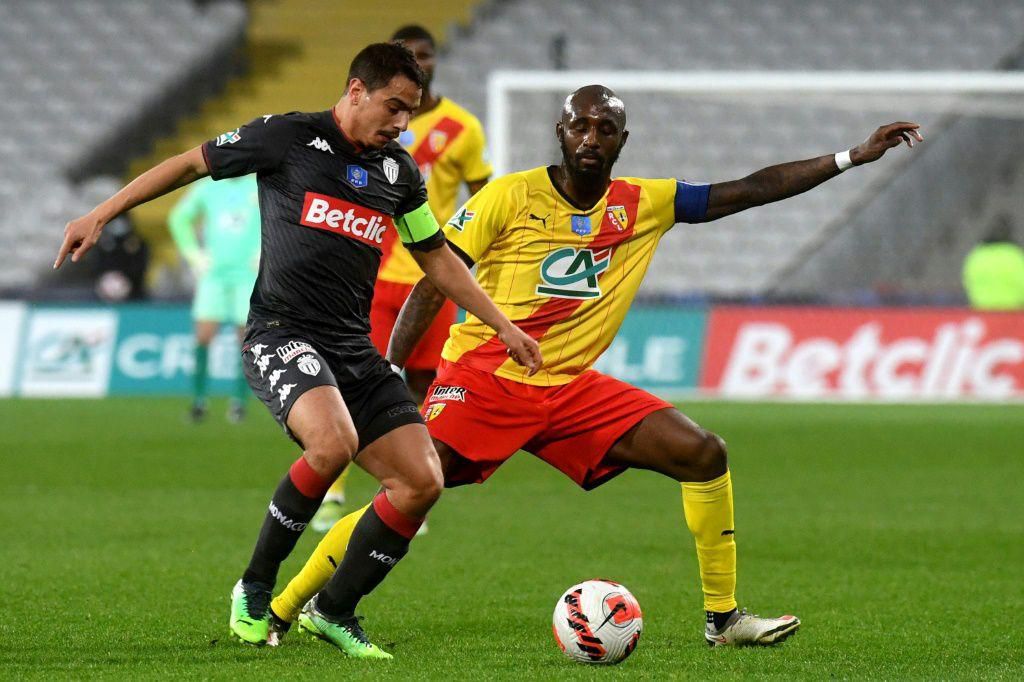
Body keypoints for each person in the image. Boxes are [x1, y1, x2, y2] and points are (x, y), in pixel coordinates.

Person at [271, 85, 923, 649]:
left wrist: (850, 157)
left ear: (622, 141)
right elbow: (434, 282)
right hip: (486, 377)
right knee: (414, 486)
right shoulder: (508, 196)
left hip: (569, 388)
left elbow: (749, 190)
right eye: (579, 125)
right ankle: (288, 605)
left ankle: (723, 619)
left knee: (702, 453)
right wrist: (390, 370)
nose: (590, 137)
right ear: (560, 132)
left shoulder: (644, 203)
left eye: (605, 128)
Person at [54, 42, 541, 659]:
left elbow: (437, 258)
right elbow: (188, 164)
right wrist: (101, 213)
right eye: (393, 107)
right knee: (331, 444)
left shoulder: (398, 173)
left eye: (410, 112)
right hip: (282, 332)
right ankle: (255, 588)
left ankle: (333, 610)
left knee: (421, 482)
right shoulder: (287, 137)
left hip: (352, 346)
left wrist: (503, 325)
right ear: (356, 91)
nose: (401, 123)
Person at [313, 24, 493, 534]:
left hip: (432, 280)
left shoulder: (463, 127)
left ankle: (403, 493)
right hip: (373, 279)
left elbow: (485, 199)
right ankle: (332, 495)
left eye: (426, 54)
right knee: (354, 384)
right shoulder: (367, 124)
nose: (422, 61)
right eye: (410, 54)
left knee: (421, 389)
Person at [168, 174, 260, 423]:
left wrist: (267, 251)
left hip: (248, 273)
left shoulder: (259, 184)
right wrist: (193, 255)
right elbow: (178, 218)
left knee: (246, 339)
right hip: (214, 274)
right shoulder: (207, 188)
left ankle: (239, 402)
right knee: (203, 335)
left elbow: (282, 217)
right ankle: (199, 401)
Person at [962, 215, 1024, 310]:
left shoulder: (977, 255)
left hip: (982, 311)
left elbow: (968, 281)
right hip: (1012, 312)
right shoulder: (1014, 255)